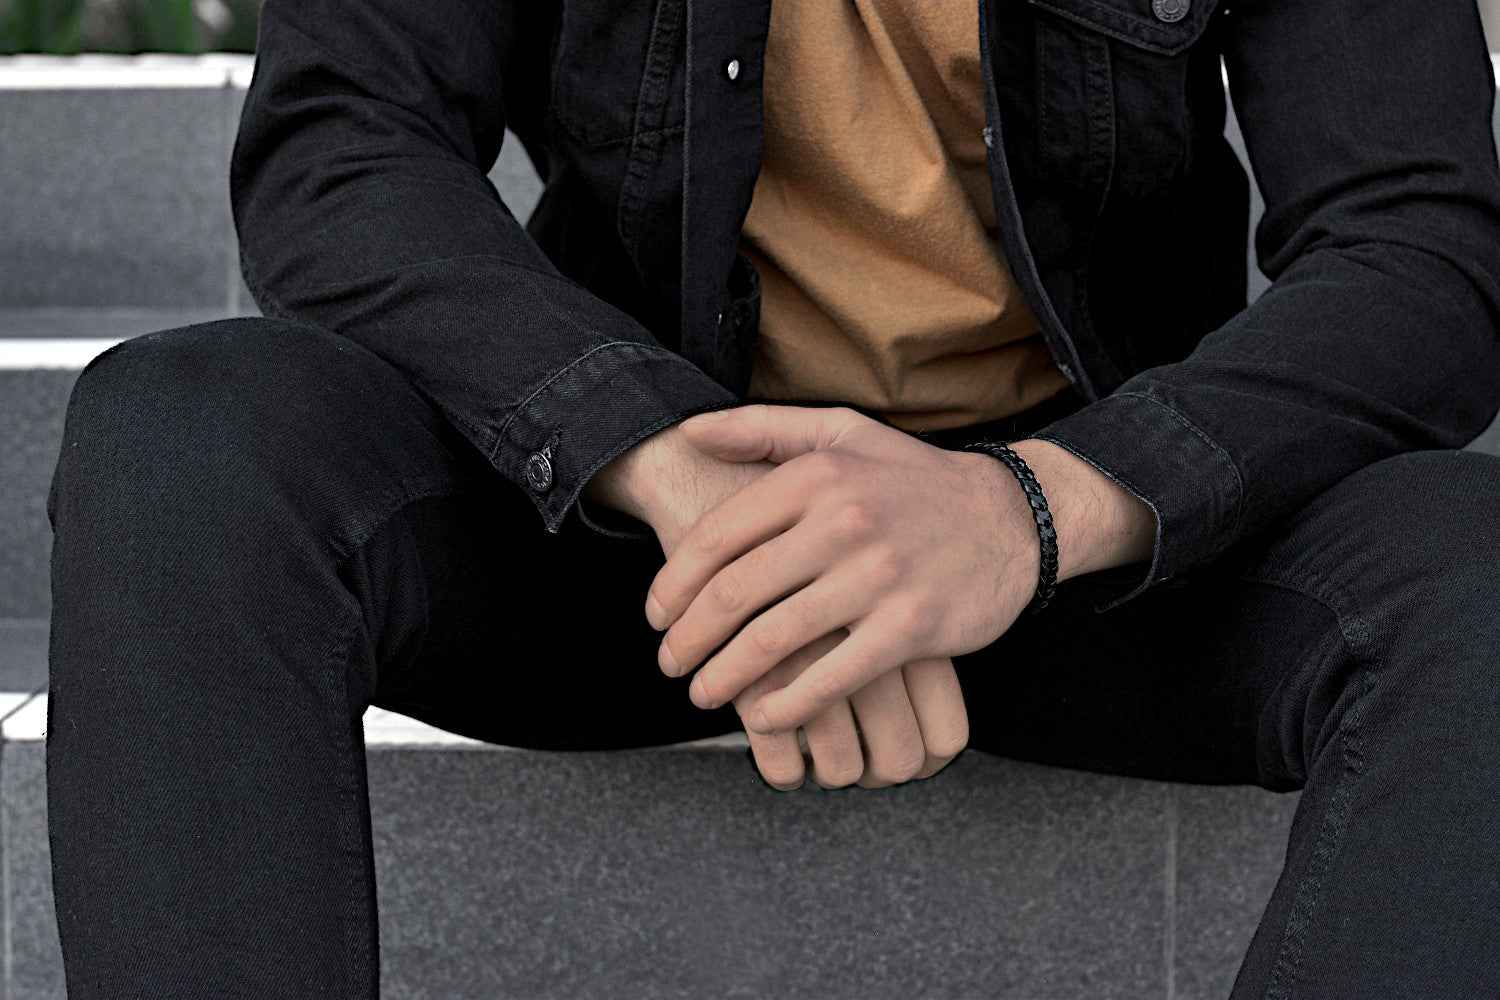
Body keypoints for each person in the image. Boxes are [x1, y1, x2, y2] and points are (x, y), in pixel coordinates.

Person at [43, 0, 1500, 995]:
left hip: (1084, 547)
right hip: (640, 539)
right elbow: (341, 145)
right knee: (182, 435)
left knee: (1477, 577)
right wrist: (677, 468)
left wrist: (1030, 511)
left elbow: (1418, 252)